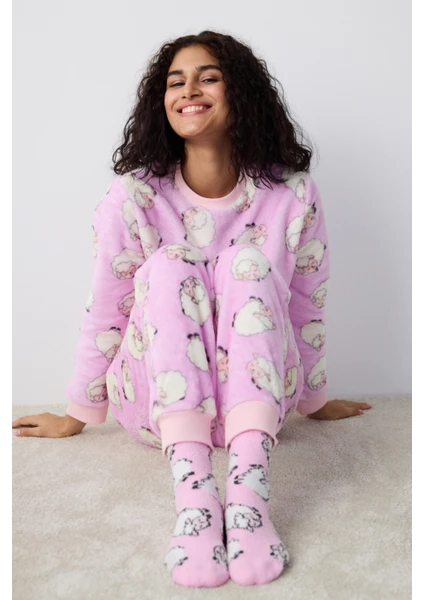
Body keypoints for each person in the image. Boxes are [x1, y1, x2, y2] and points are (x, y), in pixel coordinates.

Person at [12, 30, 372, 588]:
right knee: (170, 264)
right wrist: (76, 413)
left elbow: (306, 305)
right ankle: (196, 500)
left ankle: (249, 499)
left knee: (247, 262)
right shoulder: (134, 198)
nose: (189, 91)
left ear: (241, 92)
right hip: (156, 406)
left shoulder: (293, 194)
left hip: (259, 401)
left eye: (208, 77)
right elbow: (107, 309)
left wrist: (314, 400)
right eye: (175, 82)